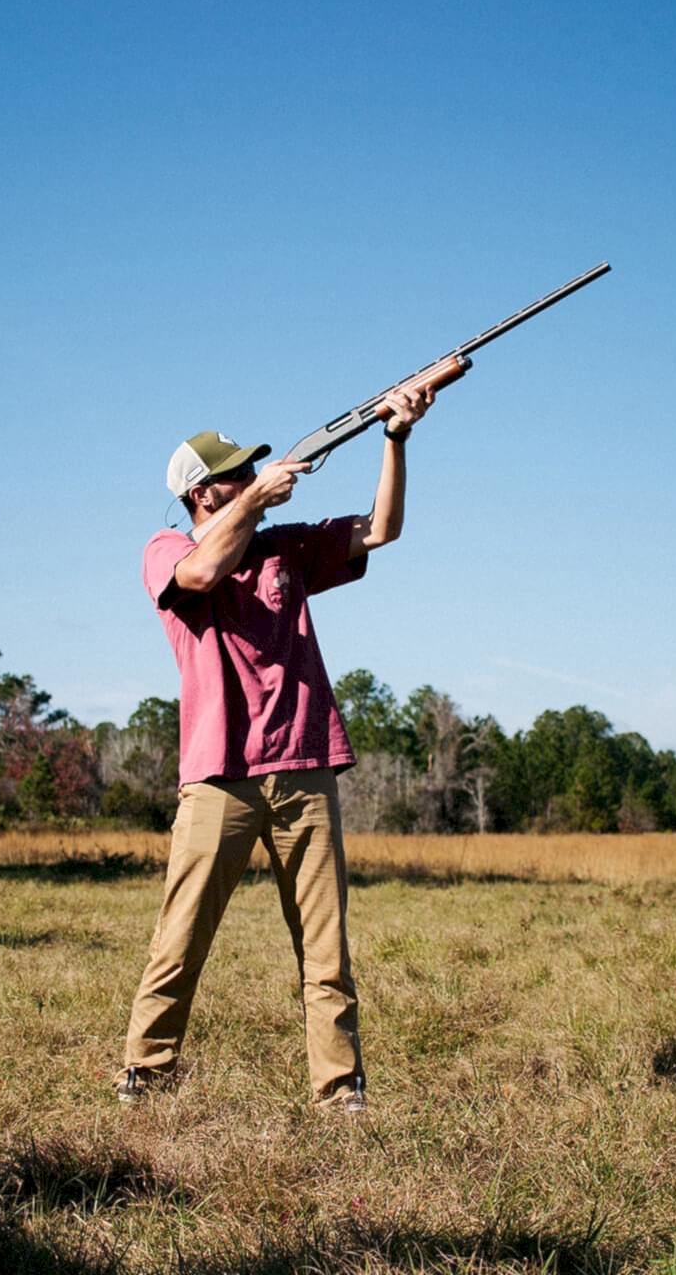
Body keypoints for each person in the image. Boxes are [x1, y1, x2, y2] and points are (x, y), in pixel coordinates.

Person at [118, 383, 437, 1111]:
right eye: (236, 473)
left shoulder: (284, 547)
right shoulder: (166, 547)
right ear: (203, 495)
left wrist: (396, 438)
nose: (254, 475)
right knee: (182, 938)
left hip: (305, 768)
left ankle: (340, 1090)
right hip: (218, 777)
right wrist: (256, 501)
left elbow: (381, 530)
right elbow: (198, 575)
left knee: (326, 951)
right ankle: (146, 1072)